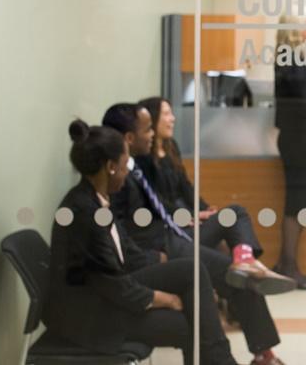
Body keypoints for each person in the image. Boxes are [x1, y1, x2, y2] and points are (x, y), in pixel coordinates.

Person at [105, 102, 290, 365]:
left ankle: (245, 257)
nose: (152, 134)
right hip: (164, 248)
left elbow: (165, 202)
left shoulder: (138, 164)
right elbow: (120, 231)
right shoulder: (120, 174)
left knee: (235, 219)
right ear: (129, 137)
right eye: (148, 128)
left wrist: (195, 215)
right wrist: (153, 257)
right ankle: (263, 354)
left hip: (175, 232)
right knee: (236, 275)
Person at [45, 120, 238, 365]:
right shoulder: (83, 212)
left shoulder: (96, 198)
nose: (128, 174)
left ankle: (224, 361)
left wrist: (162, 264)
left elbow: (126, 253)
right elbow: (112, 285)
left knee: (191, 269)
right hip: (91, 316)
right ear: (111, 167)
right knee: (190, 324)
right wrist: (165, 298)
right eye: (125, 166)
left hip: (106, 295)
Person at [273, 15, 306, 290]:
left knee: (302, 202)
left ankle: (287, 263)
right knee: (298, 203)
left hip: (299, 138)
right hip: (295, 139)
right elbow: (296, 103)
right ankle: (289, 266)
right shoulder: (289, 57)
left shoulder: (293, 56)